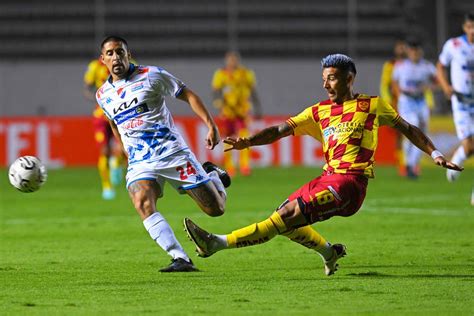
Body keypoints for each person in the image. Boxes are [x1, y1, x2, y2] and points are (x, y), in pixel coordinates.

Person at [184, 54, 463, 276]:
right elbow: (280, 130)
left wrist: (435, 153)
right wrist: (248, 142)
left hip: (351, 183)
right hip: (326, 178)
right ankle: (329, 253)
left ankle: (216, 243)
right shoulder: (318, 112)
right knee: (286, 220)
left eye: (332, 78)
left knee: (285, 216)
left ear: (349, 78)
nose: (326, 84)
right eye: (324, 79)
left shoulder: (372, 106)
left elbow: (408, 128)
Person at [95, 35, 231, 272]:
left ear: (128, 54)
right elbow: (114, 123)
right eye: (110, 53)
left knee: (215, 210)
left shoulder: (152, 75)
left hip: (172, 153)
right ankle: (180, 257)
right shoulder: (102, 94)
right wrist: (125, 150)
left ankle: (214, 175)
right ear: (102, 59)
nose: (116, 57)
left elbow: (187, 94)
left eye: (120, 52)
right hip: (141, 162)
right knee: (142, 202)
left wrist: (211, 124)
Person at [437, 12, 474, 205]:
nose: (473, 31)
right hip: (461, 102)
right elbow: (440, 66)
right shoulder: (454, 45)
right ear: (464, 27)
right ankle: (458, 158)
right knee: (469, 146)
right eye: (470, 27)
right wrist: (446, 87)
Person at [391, 39, 437, 179]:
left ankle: (412, 164)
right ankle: (408, 164)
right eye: (412, 50)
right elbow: (394, 83)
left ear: (420, 51)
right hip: (407, 101)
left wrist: (430, 87)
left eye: (417, 50)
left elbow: (438, 80)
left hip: (421, 101)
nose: (415, 53)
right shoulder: (401, 66)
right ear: (408, 51)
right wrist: (399, 97)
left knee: (423, 134)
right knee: (413, 127)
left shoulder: (427, 66)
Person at [212, 51, 262, 176]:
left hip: (242, 111)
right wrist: (219, 104)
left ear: (238, 61)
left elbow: (253, 91)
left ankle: (245, 166)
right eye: (230, 60)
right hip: (228, 111)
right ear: (226, 61)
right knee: (228, 138)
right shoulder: (221, 74)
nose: (232, 62)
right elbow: (216, 91)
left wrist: (257, 108)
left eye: (234, 60)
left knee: (244, 137)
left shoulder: (246, 73)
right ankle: (230, 167)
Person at [84, 58, 125, 199]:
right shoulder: (95, 66)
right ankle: (107, 187)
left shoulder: (130, 63)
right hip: (101, 115)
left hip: (121, 112)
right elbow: (87, 88)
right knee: (104, 152)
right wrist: (97, 98)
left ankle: (117, 162)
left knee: (124, 148)